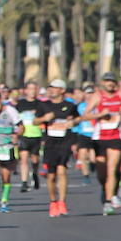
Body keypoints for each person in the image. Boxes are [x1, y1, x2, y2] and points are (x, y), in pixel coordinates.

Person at [82, 73, 121, 215]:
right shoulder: (97, 96)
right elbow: (85, 115)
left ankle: (108, 202)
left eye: (112, 81)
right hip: (100, 138)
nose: (110, 83)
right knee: (102, 172)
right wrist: (100, 115)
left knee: (112, 169)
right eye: (107, 81)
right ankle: (105, 189)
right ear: (103, 82)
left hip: (116, 136)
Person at [37, 80, 78, 216]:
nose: (51, 90)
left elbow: (77, 119)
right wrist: (44, 118)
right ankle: (53, 202)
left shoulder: (70, 105)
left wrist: (72, 122)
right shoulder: (44, 105)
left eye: (54, 88)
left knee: (62, 171)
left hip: (65, 141)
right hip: (50, 142)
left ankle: (62, 202)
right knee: (51, 175)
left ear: (62, 90)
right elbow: (34, 121)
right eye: (50, 88)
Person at [15, 81, 46, 193]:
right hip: (24, 135)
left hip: (36, 135)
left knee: (35, 160)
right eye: (30, 89)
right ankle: (24, 182)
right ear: (26, 90)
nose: (32, 91)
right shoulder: (20, 104)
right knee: (23, 159)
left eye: (34, 89)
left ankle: (35, 173)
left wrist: (44, 137)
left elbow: (44, 120)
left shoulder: (41, 104)